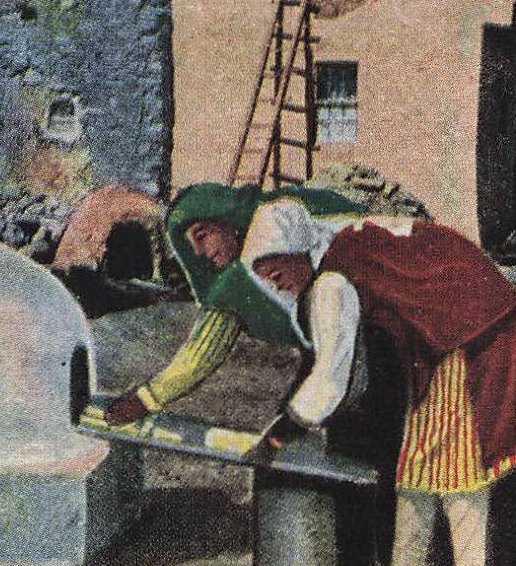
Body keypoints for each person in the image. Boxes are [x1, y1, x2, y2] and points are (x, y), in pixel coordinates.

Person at [241, 199, 516, 566]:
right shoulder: (335, 258)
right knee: (416, 459)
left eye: (277, 274)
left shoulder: (332, 281)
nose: (277, 285)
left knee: (456, 455)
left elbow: (333, 374)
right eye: (268, 280)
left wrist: (284, 430)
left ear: (296, 253)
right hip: (439, 332)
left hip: (465, 324)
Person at [102, 182, 364, 424]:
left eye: (202, 235)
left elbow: (199, 356)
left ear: (227, 221)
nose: (198, 253)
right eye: (190, 245)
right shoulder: (240, 276)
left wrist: (144, 401)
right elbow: (202, 352)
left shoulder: (283, 227)